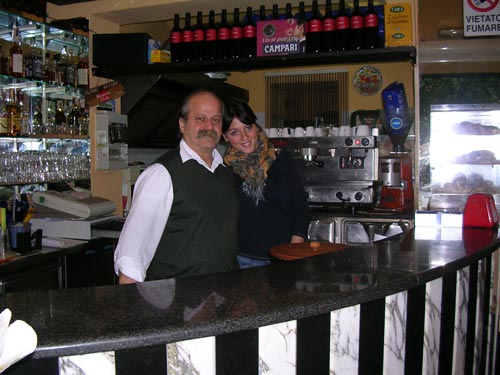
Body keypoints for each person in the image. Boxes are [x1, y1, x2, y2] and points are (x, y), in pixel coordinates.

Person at [114, 90, 239, 284]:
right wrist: (131, 308)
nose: (209, 126)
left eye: (216, 120)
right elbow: (133, 255)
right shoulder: (161, 175)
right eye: (200, 118)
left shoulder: (224, 171)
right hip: (176, 302)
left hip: (221, 297)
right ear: (182, 124)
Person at [222, 100, 311, 268]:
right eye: (235, 132)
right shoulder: (226, 169)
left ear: (256, 127)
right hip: (244, 261)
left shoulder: (281, 160)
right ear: (225, 137)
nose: (245, 137)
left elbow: (302, 210)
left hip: (284, 257)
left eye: (248, 127)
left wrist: (291, 252)